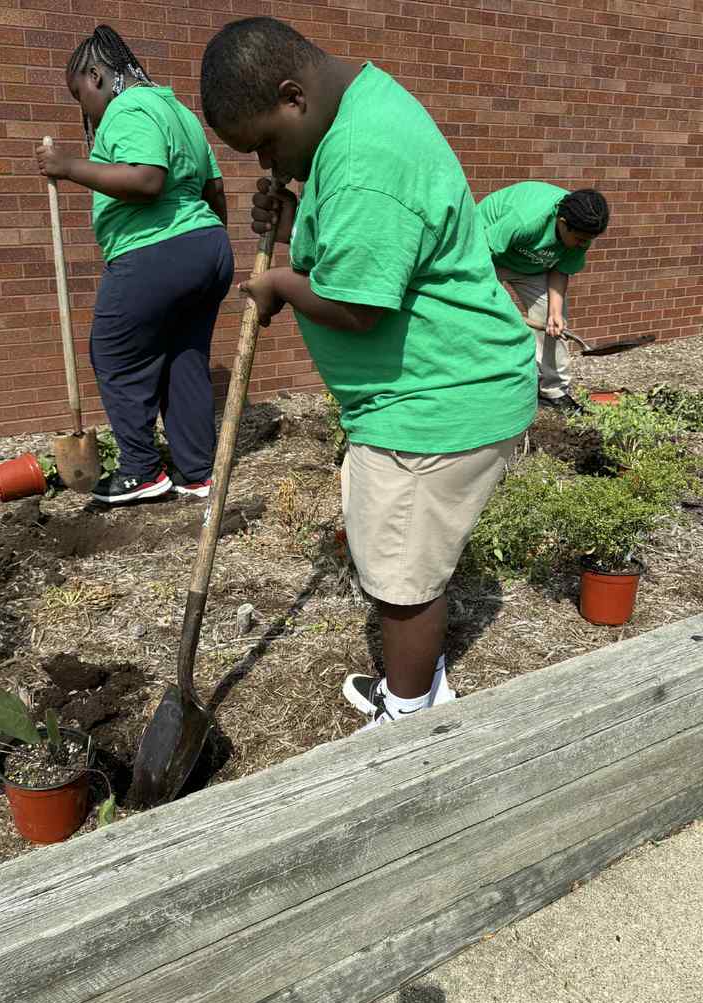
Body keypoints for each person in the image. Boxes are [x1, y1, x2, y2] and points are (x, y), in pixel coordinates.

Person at [200, 18, 537, 729]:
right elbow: (363, 245)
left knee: (404, 582)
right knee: (394, 552)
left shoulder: (361, 156)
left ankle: (410, 719)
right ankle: (415, 687)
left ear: (293, 96)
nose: (265, 162)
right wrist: (294, 221)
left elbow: (358, 306)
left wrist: (281, 286)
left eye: (264, 143)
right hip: (419, 391)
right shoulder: (353, 116)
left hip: (438, 397)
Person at [35, 25, 234, 504]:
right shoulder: (178, 111)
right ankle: (197, 472)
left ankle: (142, 471)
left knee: (115, 353)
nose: (84, 108)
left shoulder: (129, 108)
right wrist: (205, 247)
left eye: (79, 94)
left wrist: (68, 167)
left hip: (154, 252)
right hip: (205, 248)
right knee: (184, 359)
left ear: (98, 75)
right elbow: (215, 190)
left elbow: (146, 180)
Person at [477, 183, 610, 412]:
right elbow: (479, 257)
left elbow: (561, 270)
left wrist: (554, 313)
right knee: (486, 320)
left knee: (554, 324)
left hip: (532, 266)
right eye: (579, 239)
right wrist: (497, 302)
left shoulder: (583, 226)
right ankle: (485, 388)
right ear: (562, 222)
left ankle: (554, 391)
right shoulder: (525, 220)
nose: (583, 245)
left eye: (588, 240)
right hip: (488, 256)